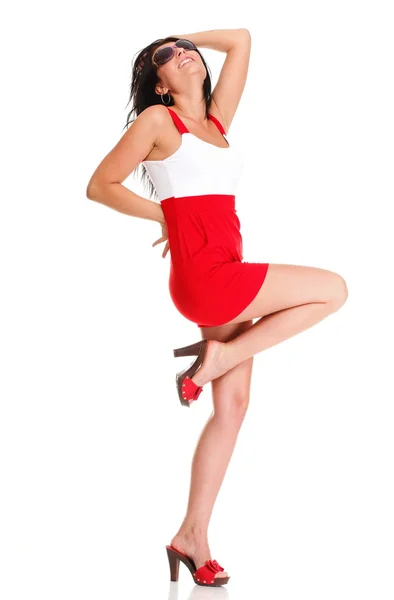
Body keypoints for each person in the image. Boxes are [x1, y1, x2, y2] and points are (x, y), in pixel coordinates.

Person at [86, 29, 348, 587]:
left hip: (226, 264)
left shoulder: (216, 121)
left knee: (232, 410)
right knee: (333, 289)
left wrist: (180, 36)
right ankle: (216, 359)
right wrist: (166, 217)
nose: (181, 55)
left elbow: (241, 39)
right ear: (158, 85)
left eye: (185, 50)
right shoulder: (160, 123)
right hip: (207, 276)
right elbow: (99, 184)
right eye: (166, 57)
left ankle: (191, 536)